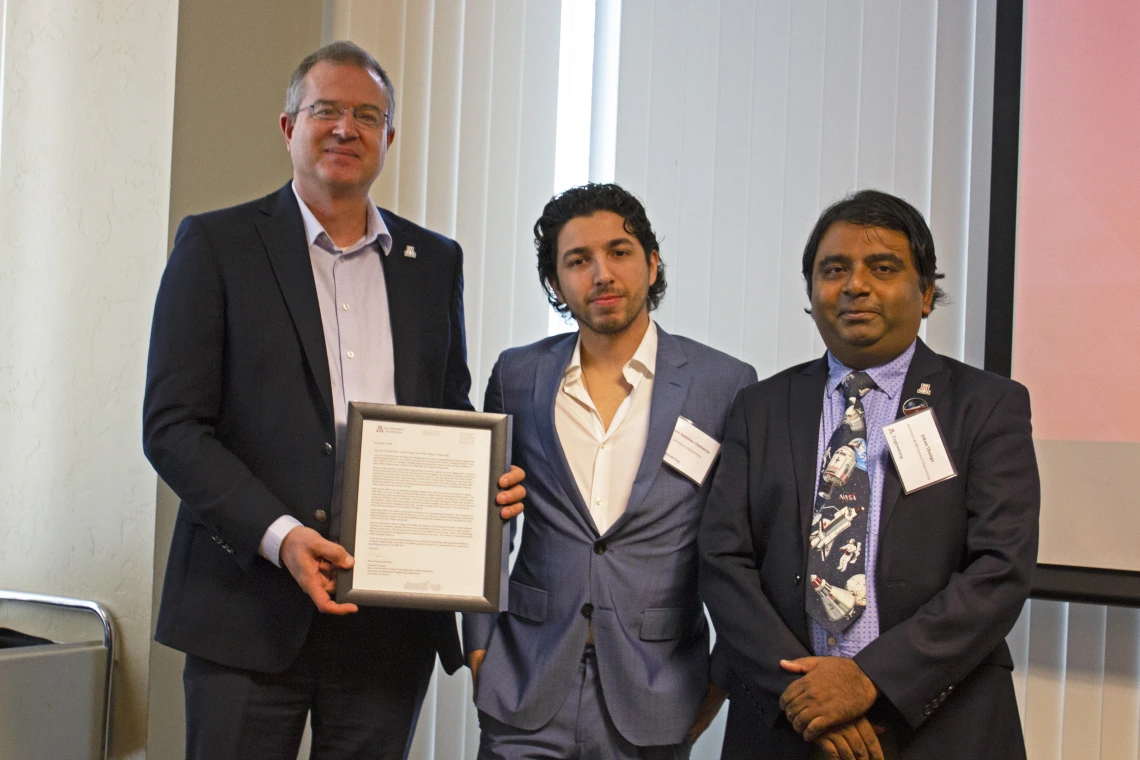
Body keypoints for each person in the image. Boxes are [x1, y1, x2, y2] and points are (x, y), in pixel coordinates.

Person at [143, 41, 524, 760]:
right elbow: (173, 427)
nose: (346, 128)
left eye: (367, 114)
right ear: (289, 127)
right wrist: (281, 536)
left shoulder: (433, 261)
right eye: (326, 110)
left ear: (388, 136)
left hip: (389, 624)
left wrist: (485, 482)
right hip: (247, 606)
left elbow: (447, 409)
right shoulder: (217, 244)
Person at [699, 189, 1039, 760]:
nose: (856, 285)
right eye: (834, 270)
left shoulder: (985, 405)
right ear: (811, 295)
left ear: (926, 293)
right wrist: (805, 694)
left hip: (940, 721)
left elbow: (1000, 568)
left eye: (883, 268)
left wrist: (868, 681)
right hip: (785, 723)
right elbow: (722, 559)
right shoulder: (760, 407)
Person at [463, 183, 757, 759]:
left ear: (651, 262)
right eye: (578, 260)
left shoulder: (723, 384)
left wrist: (720, 679)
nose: (601, 273)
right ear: (555, 282)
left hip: (657, 689)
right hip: (526, 680)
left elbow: (741, 548)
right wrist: (479, 649)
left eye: (619, 252)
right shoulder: (518, 375)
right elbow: (490, 516)